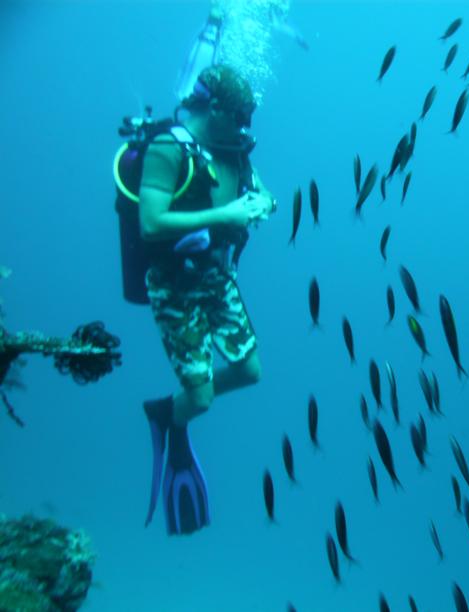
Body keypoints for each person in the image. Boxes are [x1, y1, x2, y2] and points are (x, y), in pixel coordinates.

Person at [136, 64, 276, 536]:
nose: (244, 128)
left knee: (250, 371)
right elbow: (151, 222)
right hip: (174, 284)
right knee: (201, 398)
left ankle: (167, 411)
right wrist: (226, 214)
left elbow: (260, 193)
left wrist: (262, 204)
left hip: (216, 277)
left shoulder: (233, 149)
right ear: (214, 108)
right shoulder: (168, 147)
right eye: (239, 118)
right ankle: (172, 416)